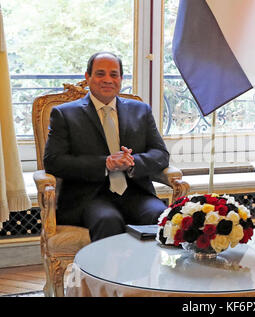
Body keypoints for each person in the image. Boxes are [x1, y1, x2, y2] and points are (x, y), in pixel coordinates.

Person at [44, 52, 169, 241]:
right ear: (88, 77)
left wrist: (132, 162)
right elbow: (54, 162)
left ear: (121, 78)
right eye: (100, 74)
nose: (107, 80)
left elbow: (160, 154)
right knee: (108, 220)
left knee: (161, 216)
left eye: (114, 74)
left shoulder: (140, 110)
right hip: (89, 197)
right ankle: (106, 271)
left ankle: (148, 270)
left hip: (135, 193)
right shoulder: (64, 114)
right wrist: (106, 164)